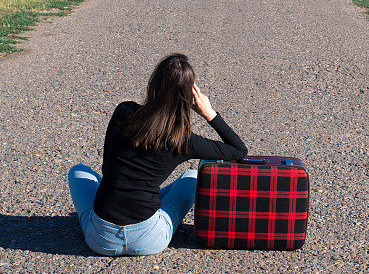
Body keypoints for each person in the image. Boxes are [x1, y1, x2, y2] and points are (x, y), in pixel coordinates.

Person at [67, 53, 248, 256]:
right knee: (192, 177)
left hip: (101, 240)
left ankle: (107, 211)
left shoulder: (124, 112)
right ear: (189, 96)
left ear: (154, 83)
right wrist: (209, 113)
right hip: (149, 240)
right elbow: (239, 150)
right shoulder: (183, 139)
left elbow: (106, 166)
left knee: (79, 171)